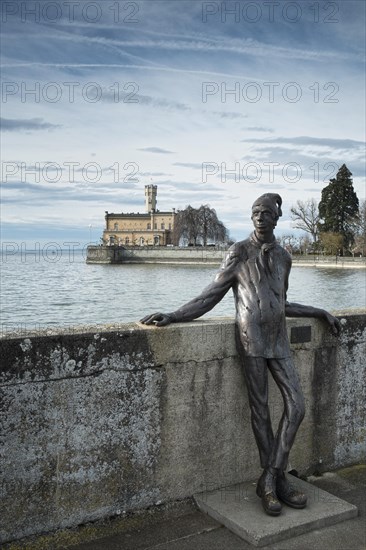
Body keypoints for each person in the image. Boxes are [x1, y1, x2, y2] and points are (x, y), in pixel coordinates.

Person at [140, 193, 340, 516]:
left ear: (277, 218)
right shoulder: (238, 252)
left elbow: (283, 303)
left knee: (297, 406)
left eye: (266, 213)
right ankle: (276, 483)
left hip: (278, 341)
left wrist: (320, 312)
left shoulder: (285, 259)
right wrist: (175, 315)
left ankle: (271, 477)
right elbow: (211, 295)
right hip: (251, 339)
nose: (260, 218)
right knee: (260, 409)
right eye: (255, 213)